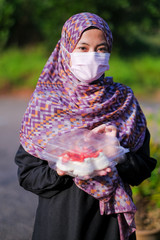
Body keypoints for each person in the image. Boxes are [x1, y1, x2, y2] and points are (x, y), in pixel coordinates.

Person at [15, 12, 157, 240]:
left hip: (110, 226)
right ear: (66, 50)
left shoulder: (124, 101)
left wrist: (119, 155)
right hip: (61, 225)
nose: (93, 55)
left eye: (101, 49)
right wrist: (61, 169)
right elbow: (28, 174)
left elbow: (143, 168)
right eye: (83, 48)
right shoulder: (46, 104)